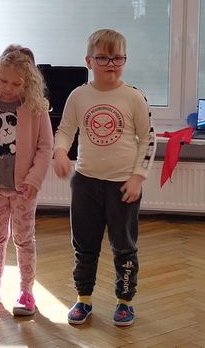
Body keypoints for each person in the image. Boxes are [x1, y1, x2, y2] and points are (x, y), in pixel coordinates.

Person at [52, 28, 155, 327]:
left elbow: (148, 139)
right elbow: (65, 130)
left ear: (125, 60)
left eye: (117, 58)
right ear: (89, 61)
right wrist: (60, 152)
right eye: (103, 58)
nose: (111, 64)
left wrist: (138, 177)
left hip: (123, 186)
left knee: (124, 247)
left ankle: (125, 301)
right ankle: (83, 298)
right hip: (85, 183)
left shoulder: (134, 97)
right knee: (84, 246)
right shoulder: (78, 96)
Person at [0, 44, 53, 316]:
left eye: (16, 84)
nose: (8, 88)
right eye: (3, 81)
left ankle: (26, 292)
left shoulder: (37, 109)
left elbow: (45, 147)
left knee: (24, 240)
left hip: (24, 191)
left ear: (28, 83)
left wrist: (34, 179)